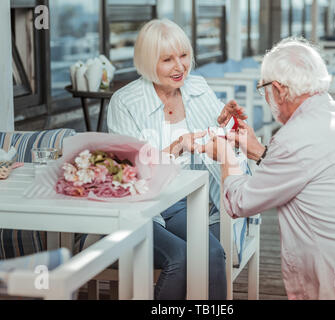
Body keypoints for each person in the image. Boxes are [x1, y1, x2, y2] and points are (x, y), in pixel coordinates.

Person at [199, 38, 335, 299]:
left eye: (263, 89)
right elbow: (311, 174)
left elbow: (239, 202)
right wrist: (258, 150)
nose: (265, 97)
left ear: (279, 90)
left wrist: (224, 154)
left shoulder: (293, 137)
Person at [103, 19, 246, 300]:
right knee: (180, 259)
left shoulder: (199, 87)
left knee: (212, 255)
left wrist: (226, 125)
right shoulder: (125, 102)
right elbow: (130, 173)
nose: (180, 67)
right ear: (147, 61)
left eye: (183, 55)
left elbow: (225, 147)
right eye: (167, 59)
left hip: (192, 203)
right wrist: (177, 146)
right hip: (144, 206)